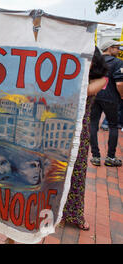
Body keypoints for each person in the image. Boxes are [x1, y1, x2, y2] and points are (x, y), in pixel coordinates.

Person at [62, 46, 109, 230]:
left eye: (88, 59)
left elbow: (84, 91)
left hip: (79, 133)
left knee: (77, 173)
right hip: (61, 126)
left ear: (95, 62)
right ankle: (56, 210)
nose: (84, 63)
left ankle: (75, 215)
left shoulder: (101, 80)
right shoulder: (72, 76)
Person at [90, 40, 123, 167]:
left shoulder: (97, 61)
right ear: (109, 48)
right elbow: (119, 83)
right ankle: (110, 157)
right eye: (117, 47)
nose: (119, 50)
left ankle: (95, 156)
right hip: (111, 98)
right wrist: (121, 95)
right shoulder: (118, 62)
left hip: (95, 95)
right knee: (113, 126)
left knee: (93, 125)